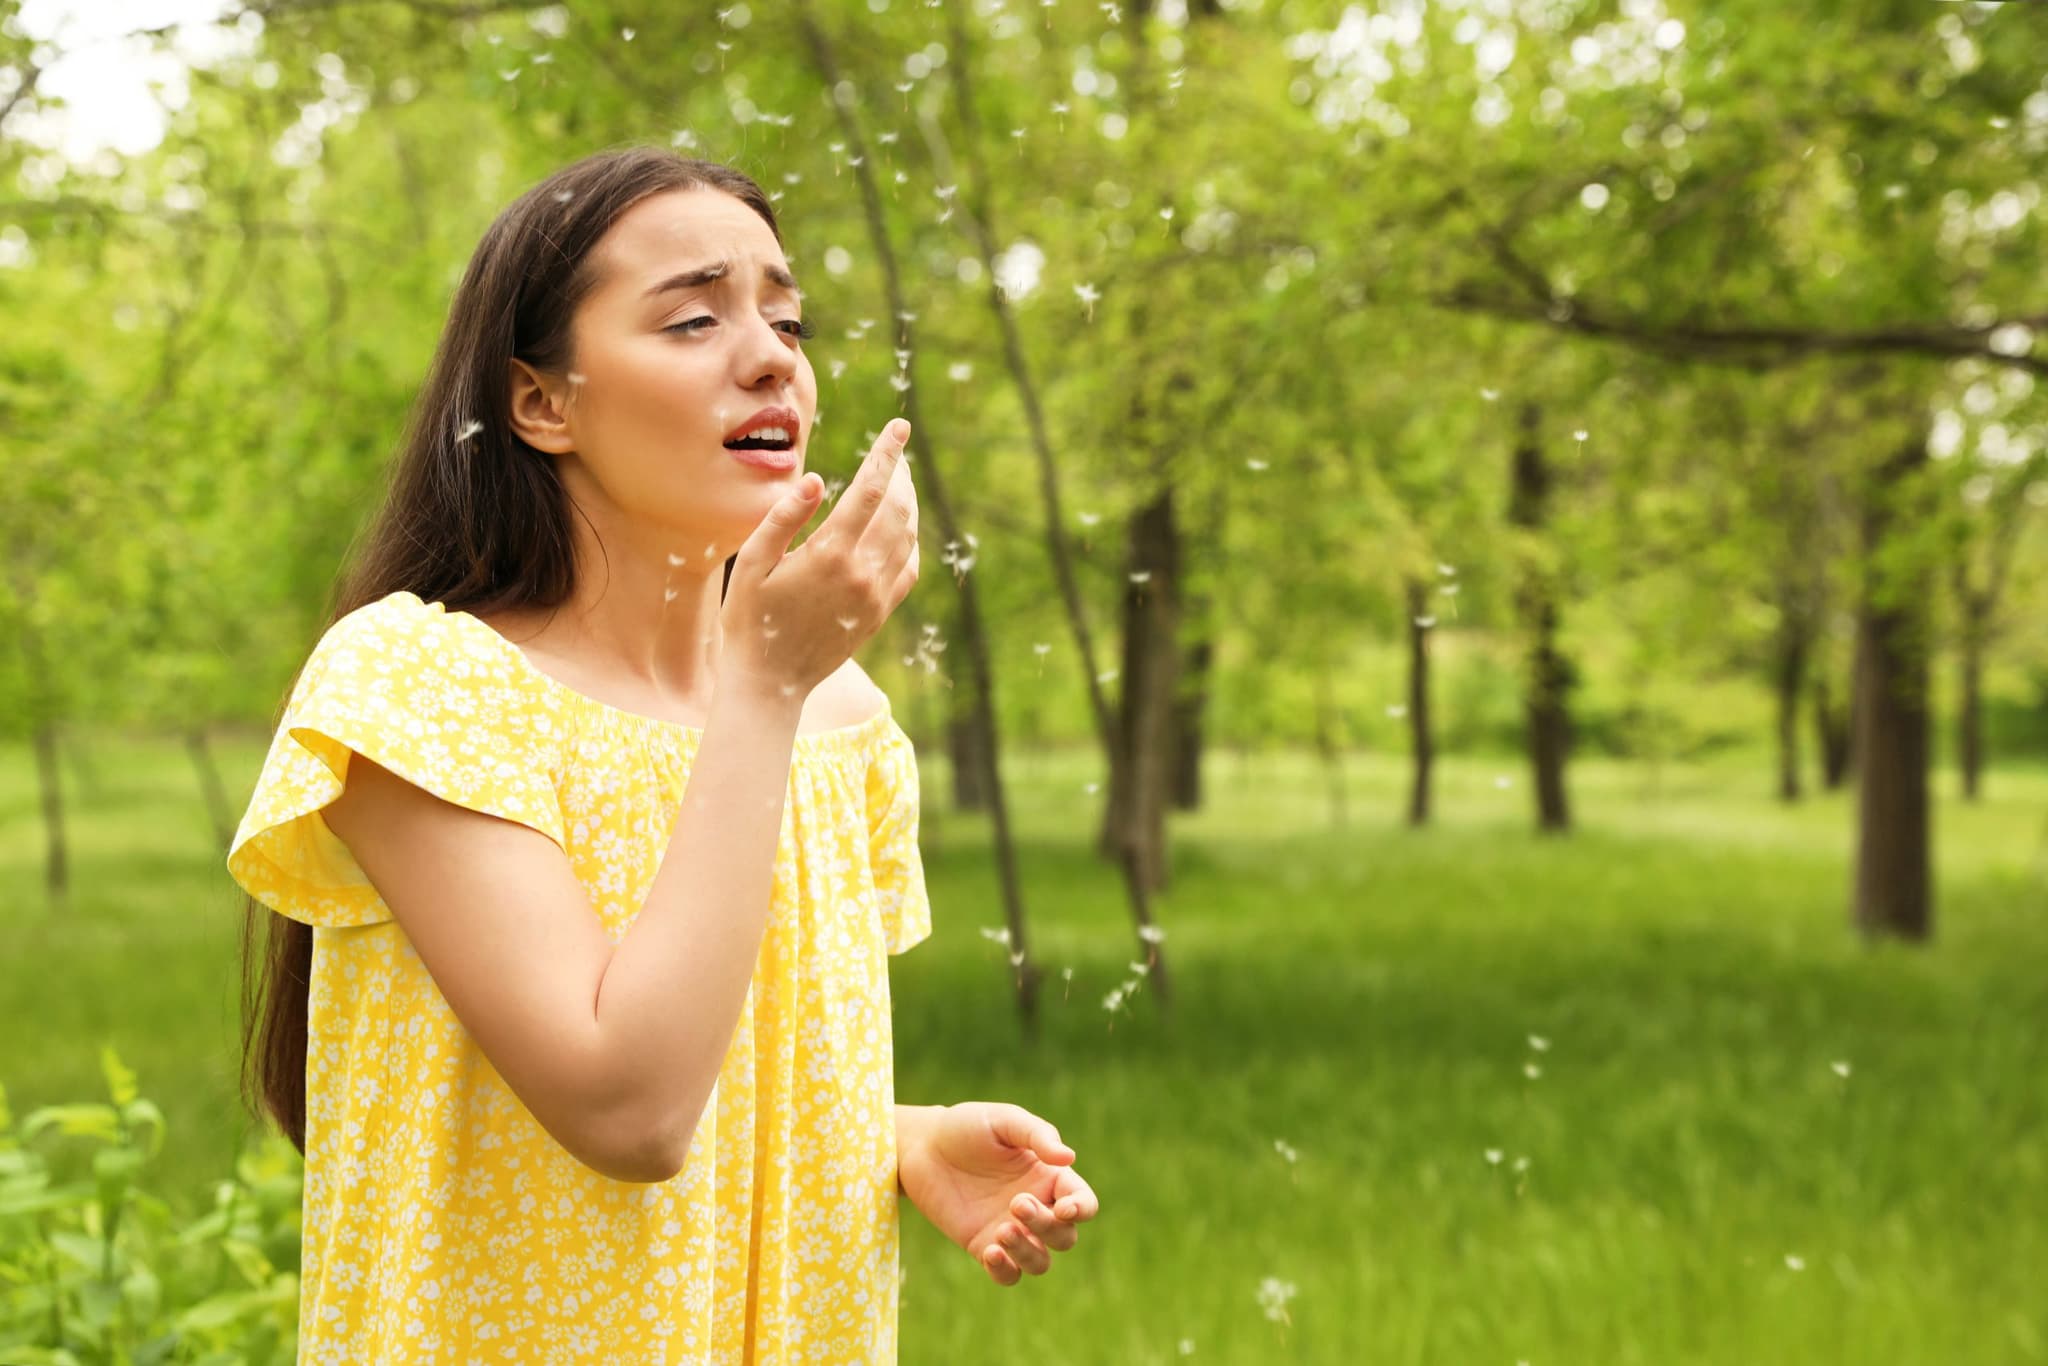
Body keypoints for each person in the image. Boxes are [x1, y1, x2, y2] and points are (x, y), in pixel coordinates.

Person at [227, 145, 1097, 1364]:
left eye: (786, 317)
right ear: (542, 402)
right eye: (692, 317)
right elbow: (627, 1108)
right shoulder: (421, 686)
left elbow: (724, 1058)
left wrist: (892, 1136)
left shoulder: (835, 718)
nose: (770, 355)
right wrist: (765, 688)